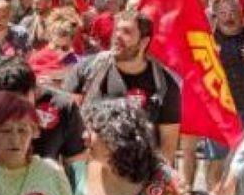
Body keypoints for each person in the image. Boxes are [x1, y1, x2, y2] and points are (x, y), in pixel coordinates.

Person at [64, 11, 182, 160]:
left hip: (138, 174)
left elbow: (168, 144)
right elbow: (68, 121)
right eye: (116, 30)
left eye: (126, 31)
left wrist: (159, 180)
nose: (117, 36)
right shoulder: (87, 70)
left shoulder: (163, 85)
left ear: (144, 42)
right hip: (90, 169)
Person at [78, 100, 193, 195]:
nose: (84, 135)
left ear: (113, 139)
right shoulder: (76, 172)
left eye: (91, 130)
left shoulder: (160, 176)